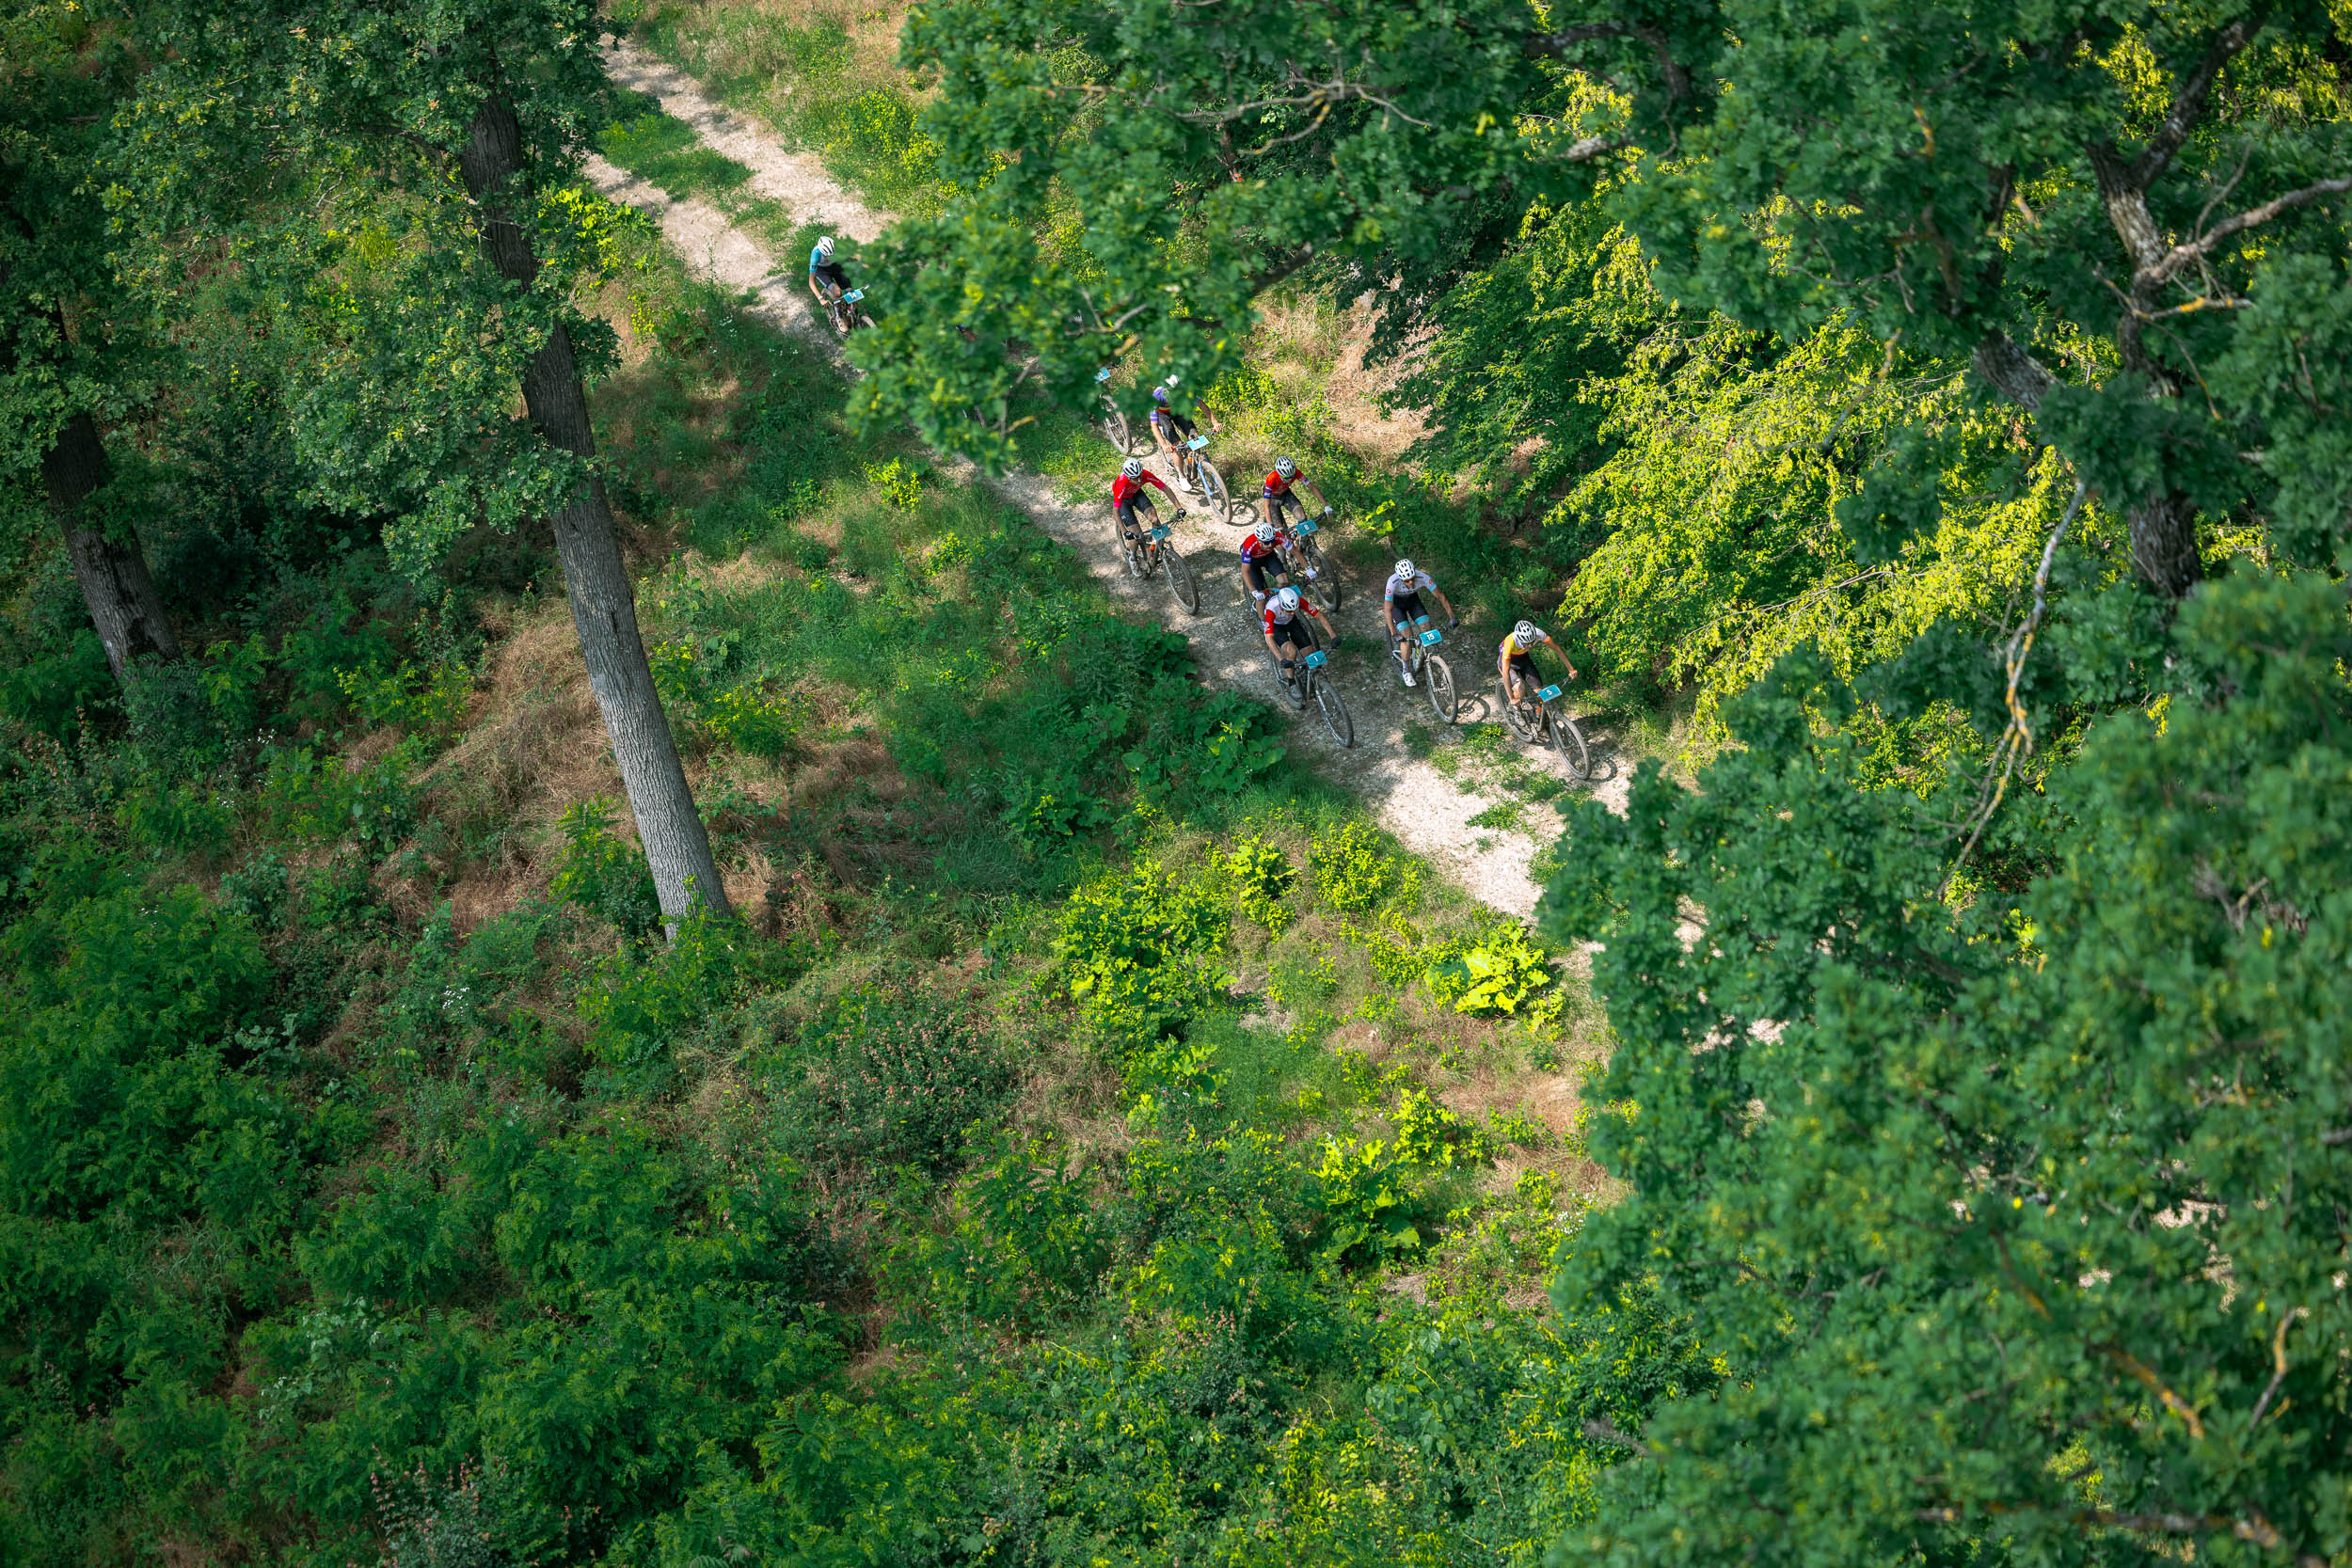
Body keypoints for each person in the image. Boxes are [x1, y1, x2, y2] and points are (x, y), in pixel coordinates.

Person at [1381, 558, 1458, 688]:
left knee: (1427, 631)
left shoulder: (1423, 577)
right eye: (1407, 580)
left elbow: (1441, 596)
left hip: (1413, 602)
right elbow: (1388, 609)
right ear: (1400, 578)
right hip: (1397, 607)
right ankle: (1406, 670)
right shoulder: (1392, 582)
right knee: (1406, 637)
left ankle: (1421, 652)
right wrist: (1394, 633)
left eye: (1412, 578)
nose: (1411, 582)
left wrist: (1452, 617)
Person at [1149, 384, 1221, 490]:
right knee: (1177, 445)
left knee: (1195, 438)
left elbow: (1201, 405)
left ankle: (1193, 463)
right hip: (1162, 416)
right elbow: (1154, 425)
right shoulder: (1156, 396)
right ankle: (1181, 476)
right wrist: (1164, 445)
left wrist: (1215, 423)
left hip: (1178, 411)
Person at [1262, 584, 1329, 688]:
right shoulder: (1271, 609)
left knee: (1309, 651)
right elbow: (1269, 638)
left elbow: (1320, 616)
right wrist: (1281, 659)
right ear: (1281, 606)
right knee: (1291, 651)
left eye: (1295, 610)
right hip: (1277, 626)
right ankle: (1291, 682)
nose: (1293, 613)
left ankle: (1314, 677)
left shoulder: (1298, 601)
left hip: (1291, 622)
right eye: (1289, 610)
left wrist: (1333, 636)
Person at [1110, 457, 1181, 552]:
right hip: (1124, 501)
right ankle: (1132, 557)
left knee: (1154, 518)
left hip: (1136, 493)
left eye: (1140, 475)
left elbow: (1165, 488)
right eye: (1135, 478)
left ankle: (1160, 546)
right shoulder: (1121, 484)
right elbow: (1115, 511)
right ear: (1128, 477)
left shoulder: (1145, 474)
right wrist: (1124, 532)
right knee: (1136, 536)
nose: (1139, 480)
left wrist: (1179, 508)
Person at [1499, 620, 1575, 707]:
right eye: (1527, 643)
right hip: (1509, 663)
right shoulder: (1510, 643)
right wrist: (1512, 698)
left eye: (1532, 641)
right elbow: (1505, 673)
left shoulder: (1539, 633)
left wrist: (1571, 669)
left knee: (1540, 693)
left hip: (1523, 659)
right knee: (1520, 689)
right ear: (1519, 639)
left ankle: (1540, 714)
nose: (1531, 646)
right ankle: (1515, 709)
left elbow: (1557, 649)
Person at [1260, 455, 1327, 530]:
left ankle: (1304, 536)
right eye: (1286, 477)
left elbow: (1312, 487)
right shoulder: (1271, 479)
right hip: (1272, 497)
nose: (1290, 479)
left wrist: (1326, 505)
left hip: (1285, 493)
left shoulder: (1296, 472)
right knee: (1279, 528)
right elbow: (1267, 505)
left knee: (1301, 515)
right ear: (1279, 474)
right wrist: (1270, 525)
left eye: (1292, 476)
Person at [1237, 518, 1292, 605]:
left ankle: (1282, 601)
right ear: (1259, 541)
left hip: (1268, 556)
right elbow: (1245, 572)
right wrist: (1254, 591)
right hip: (1253, 561)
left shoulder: (1277, 536)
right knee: (1261, 596)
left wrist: (1308, 569)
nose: (1270, 545)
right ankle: (1261, 613)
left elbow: (1294, 550)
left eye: (1272, 541)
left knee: (1284, 581)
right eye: (1266, 543)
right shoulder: (1249, 544)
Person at [808, 235, 852, 326]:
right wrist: (821, 299)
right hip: (821, 271)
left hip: (834, 266)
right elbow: (811, 282)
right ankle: (839, 316)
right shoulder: (816, 255)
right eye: (826, 256)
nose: (829, 257)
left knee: (849, 290)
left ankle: (850, 310)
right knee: (837, 292)